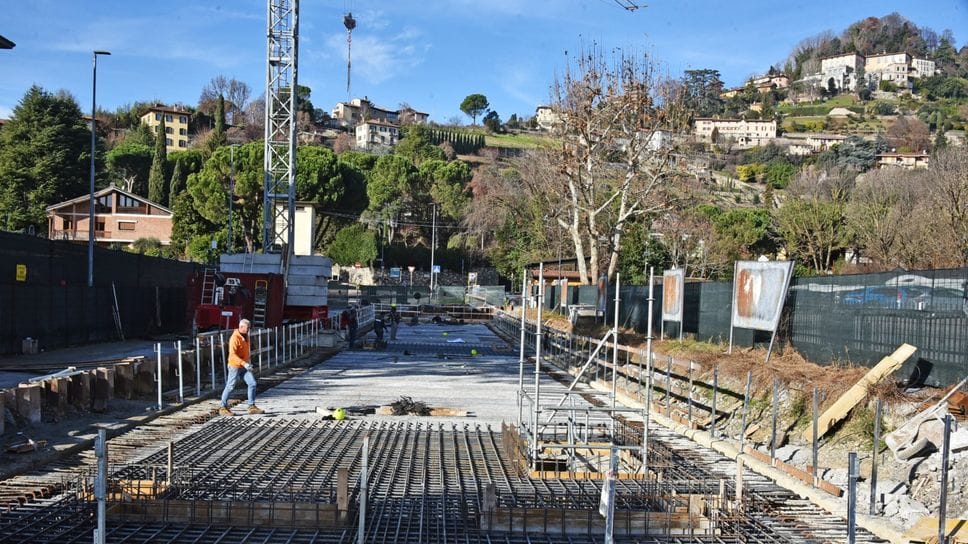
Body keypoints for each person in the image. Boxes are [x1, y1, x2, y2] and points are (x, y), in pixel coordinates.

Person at [219, 319, 264, 416]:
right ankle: (223, 407)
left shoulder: (245, 336)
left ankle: (251, 406)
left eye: (249, 327)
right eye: (247, 328)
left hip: (244, 366)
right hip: (235, 366)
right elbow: (232, 355)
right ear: (241, 327)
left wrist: (247, 363)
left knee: (252, 383)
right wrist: (244, 363)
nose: (249, 329)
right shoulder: (235, 338)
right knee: (230, 386)